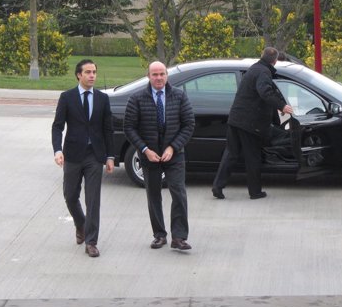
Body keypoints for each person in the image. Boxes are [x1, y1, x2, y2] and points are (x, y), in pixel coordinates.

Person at [124, 61, 195, 250]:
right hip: (150, 156)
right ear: (148, 76)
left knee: (178, 193)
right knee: (153, 195)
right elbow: (129, 128)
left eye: (162, 74)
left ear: (167, 75)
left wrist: (173, 147)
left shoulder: (179, 96)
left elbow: (189, 125)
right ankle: (159, 235)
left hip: (174, 155)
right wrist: (145, 149)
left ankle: (179, 237)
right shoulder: (137, 98)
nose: (159, 78)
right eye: (154, 74)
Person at [51, 59, 115, 258]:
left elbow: (108, 129)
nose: (92, 75)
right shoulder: (67, 97)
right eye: (88, 72)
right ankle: (80, 224)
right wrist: (57, 150)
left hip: (94, 155)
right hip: (72, 155)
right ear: (79, 75)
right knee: (70, 196)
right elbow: (57, 126)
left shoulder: (103, 99)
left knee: (93, 200)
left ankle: (91, 241)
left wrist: (110, 156)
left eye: (94, 72)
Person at [212, 47, 293, 200]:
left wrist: (278, 105)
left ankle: (217, 186)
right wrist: (282, 106)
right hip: (249, 123)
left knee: (231, 154)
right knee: (253, 157)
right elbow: (265, 92)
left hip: (235, 119)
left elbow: (265, 93)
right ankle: (255, 192)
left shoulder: (254, 69)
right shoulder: (264, 72)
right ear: (275, 61)